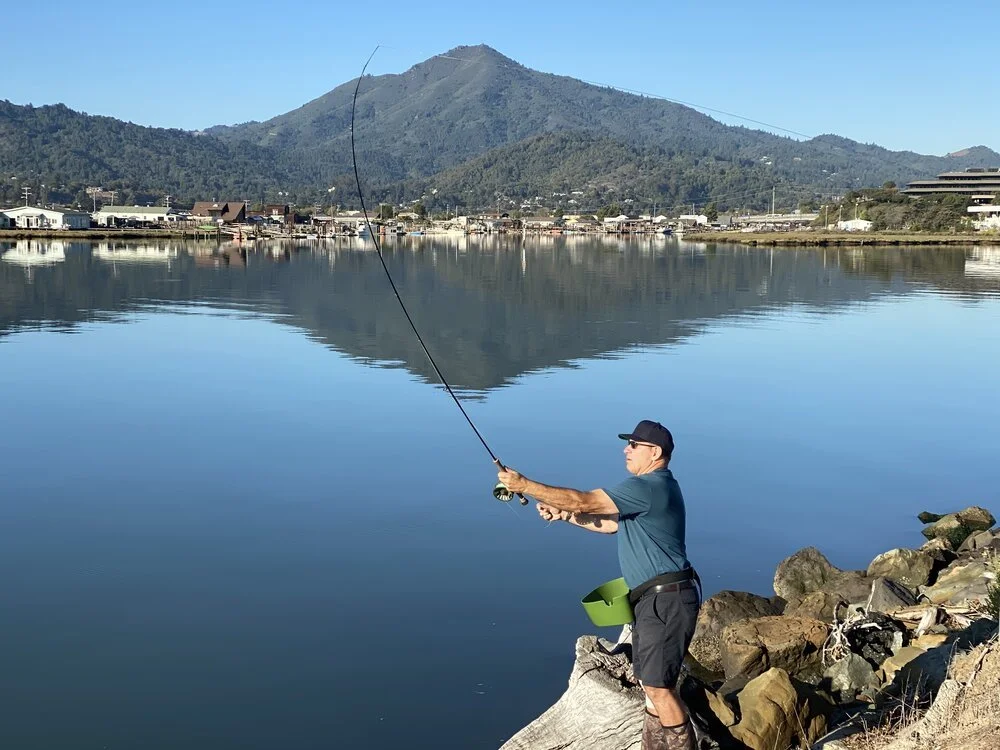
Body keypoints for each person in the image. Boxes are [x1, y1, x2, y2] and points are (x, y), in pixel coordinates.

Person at [497, 420, 700, 750]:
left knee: (659, 689)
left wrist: (524, 484)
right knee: (653, 689)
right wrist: (565, 516)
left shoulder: (649, 487)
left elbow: (584, 500)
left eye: (634, 445)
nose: (626, 449)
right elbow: (606, 524)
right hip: (660, 600)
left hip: (666, 602)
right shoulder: (656, 489)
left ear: (655, 452)